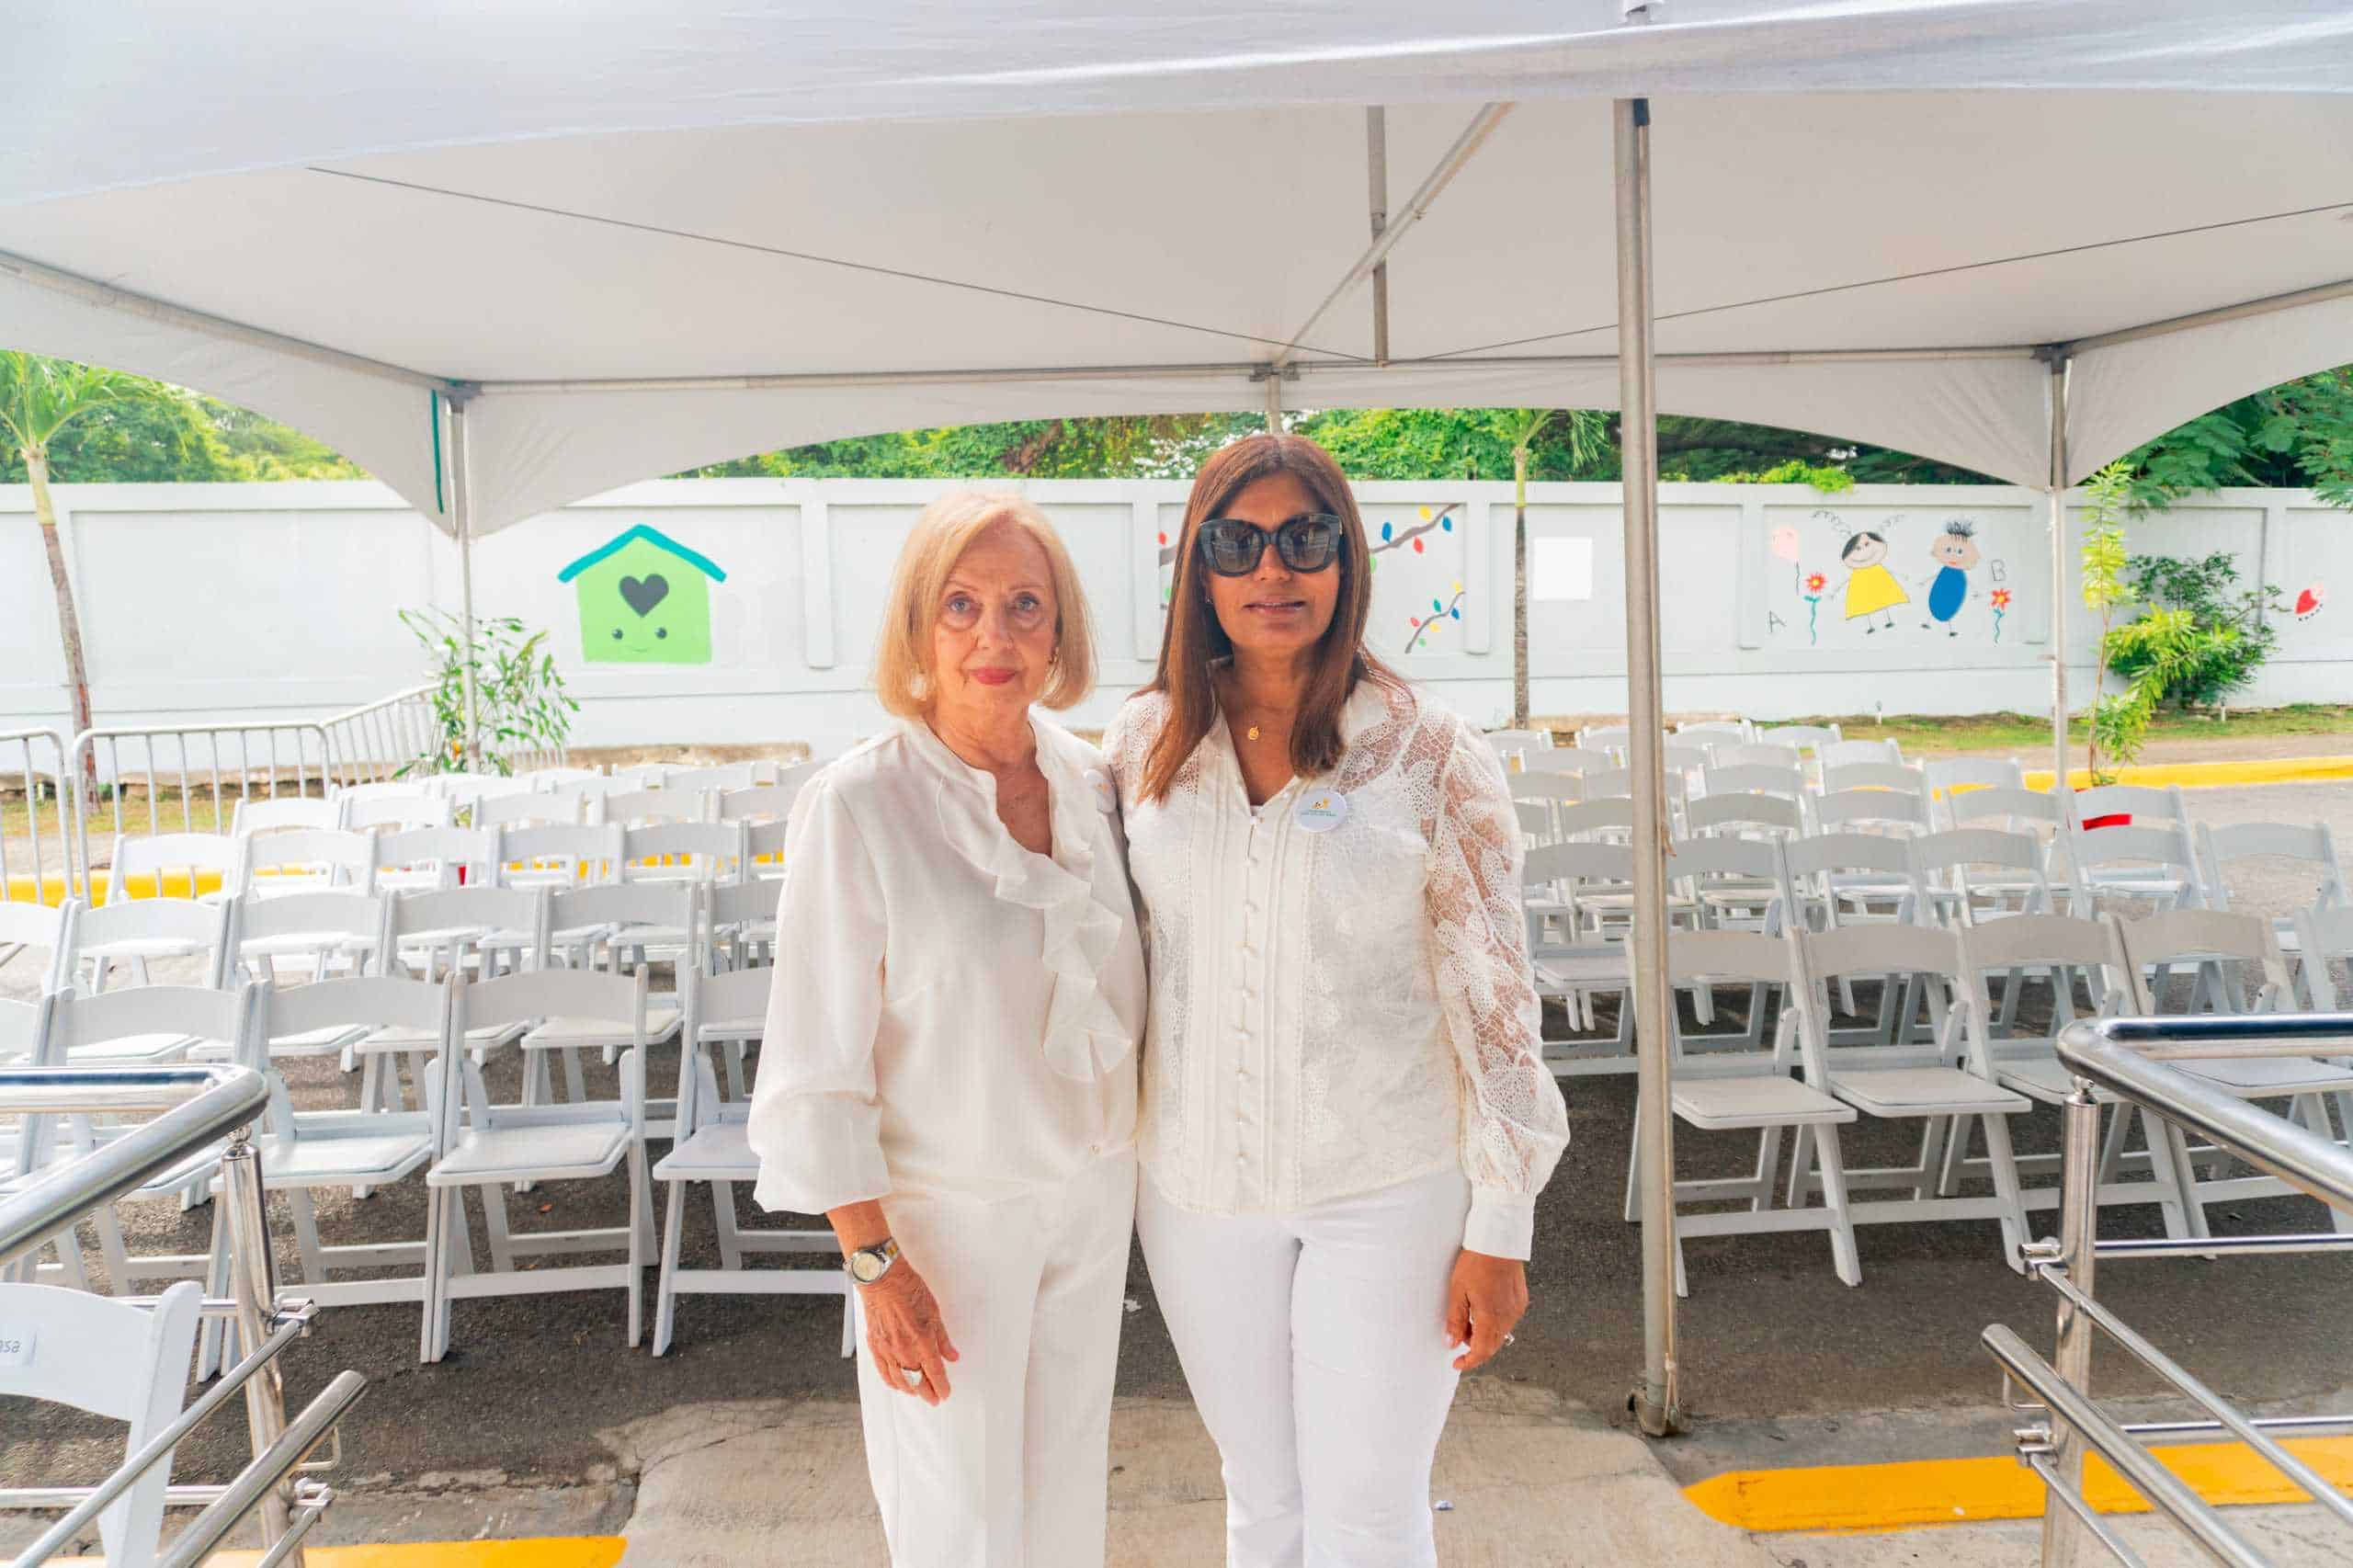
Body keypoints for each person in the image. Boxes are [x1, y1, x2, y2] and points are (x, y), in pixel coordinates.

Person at [1101, 433, 1571, 1568]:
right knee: (1261, 1499)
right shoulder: (1138, 746)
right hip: (1198, 1189)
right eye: (1240, 541)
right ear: (1199, 568)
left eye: (1304, 539)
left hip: (1389, 1186)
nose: (1274, 570)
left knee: (1367, 1512)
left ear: (1345, 559)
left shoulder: (1429, 751)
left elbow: (1497, 998)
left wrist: (1499, 1226)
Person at [747, 490, 1146, 1568]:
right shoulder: (860, 805)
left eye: (1026, 603)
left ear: (1060, 627)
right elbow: (816, 1056)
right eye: (961, 604)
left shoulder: (1095, 780)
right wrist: (873, 1260)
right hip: (943, 1221)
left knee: (1066, 1501)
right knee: (957, 1527)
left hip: (1091, 1197)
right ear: (919, 626)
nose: (994, 635)